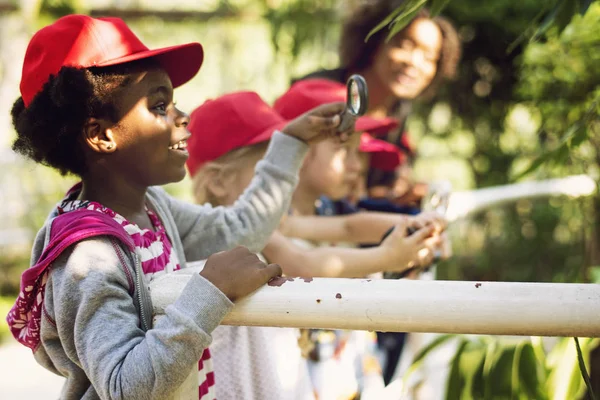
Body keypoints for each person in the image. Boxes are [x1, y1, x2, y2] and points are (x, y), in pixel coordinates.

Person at [5, 14, 348, 399]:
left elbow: (241, 229)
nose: (182, 118)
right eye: (159, 105)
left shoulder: (152, 209)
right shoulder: (87, 255)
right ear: (101, 135)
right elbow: (125, 385)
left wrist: (291, 142)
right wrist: (210, 291)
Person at [186, 91, 445, 400]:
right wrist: (387, 256)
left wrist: (409, 224)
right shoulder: (238, 236)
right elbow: (302, 263)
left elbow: (349, 225)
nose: (286, 172)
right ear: (219, 182)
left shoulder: (277, 220)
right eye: (269, 168)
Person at [300, 3, 461, 209]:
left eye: (430, 58)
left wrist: (398, 194)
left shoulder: (399, 112)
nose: (414, 63)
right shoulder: (317, 92)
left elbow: (369, 191)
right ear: (375, 44)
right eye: (404, 45)